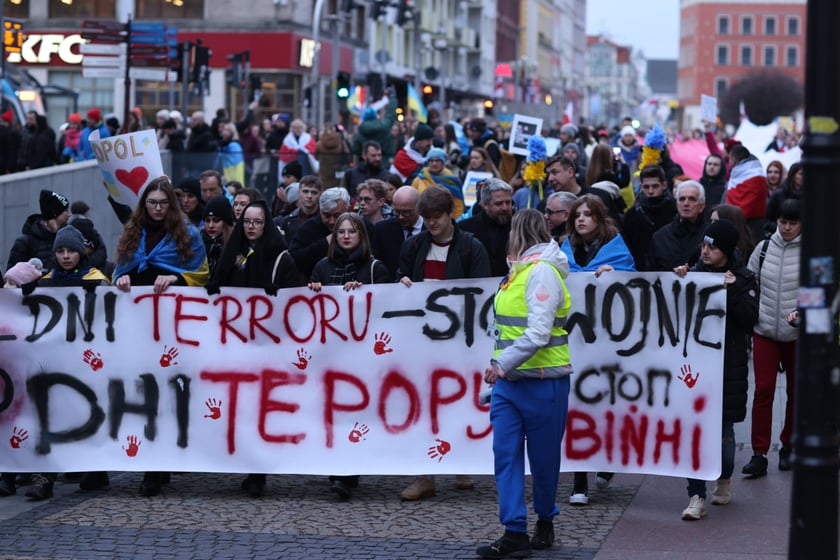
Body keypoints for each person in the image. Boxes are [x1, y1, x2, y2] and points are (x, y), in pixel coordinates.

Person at [476, 208, 573, 558]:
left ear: (520, 232)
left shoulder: (542, 272)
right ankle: (514, 530)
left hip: (543, 382)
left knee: (544, 462)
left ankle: (545, 518)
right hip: (512, 384)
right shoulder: (518, 272)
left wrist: (501, 364)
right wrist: (500, 369)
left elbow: (539, 332)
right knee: (505, 456)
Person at [113, 177, 210, 497]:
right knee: (146, 391)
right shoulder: (133, 232)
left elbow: (201, 274)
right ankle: (152, 465)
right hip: (139, 327)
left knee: (169, 393)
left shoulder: (189, 234)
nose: (156, 209)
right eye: (151, 203)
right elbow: (120, 269)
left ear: (172, 204)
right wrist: (122, 278)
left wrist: (176, 277)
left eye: (162, 203)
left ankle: (159, 465)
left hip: (172, 328)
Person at [396, 185, 490, 500]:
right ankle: (425, 474)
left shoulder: (470, 247)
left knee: (459, 402)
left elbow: (481, 293)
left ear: (451, 214)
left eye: (437, 217)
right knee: (424, 404)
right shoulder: (414, 246)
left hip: (460, 342)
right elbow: (401, 282)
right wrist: (404, 284)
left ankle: (461, 462)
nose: (431, 223)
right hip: (423, 342)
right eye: (427, 218)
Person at [673, 219, 758, 520]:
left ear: (727, 251)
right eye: (704, 245)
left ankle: (724, 476)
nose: (706, 251)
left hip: (727, 367)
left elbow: (750, 321)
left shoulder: (744, 278)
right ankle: (696, 495)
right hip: (694, 369)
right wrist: (678, 279)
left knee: (723, 435)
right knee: (694, 431)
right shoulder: (691, 274)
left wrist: (733, 292)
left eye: (713, 247)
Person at [307, 212, 391, 499]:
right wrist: (314, 290)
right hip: (329, 355)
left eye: (351, 232)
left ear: (361, 236)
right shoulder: (322, 266)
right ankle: (340, 472)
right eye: (341, 231)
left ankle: (346, 473)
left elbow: (385, 308)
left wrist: (366, 291)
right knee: (333, 413)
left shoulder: (374, 268)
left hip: (362, 356)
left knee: (354, 413)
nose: (345, 236)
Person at [559, 194, 635, 506]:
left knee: (605, 406)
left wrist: (615, 277)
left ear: (599, 218)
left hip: (607, 344)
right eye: (577, 214)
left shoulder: (616, 248)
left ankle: (606, 461)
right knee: (576, 407)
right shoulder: (563, 249)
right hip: (573, 341)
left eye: (588, 214)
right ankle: (580, 480)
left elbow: (633, 283)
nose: (581, 219)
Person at [742, 199, 801, 478]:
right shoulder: (764, 248)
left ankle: (788, 445)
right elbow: (749, 281)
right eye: (782, 221)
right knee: (763, 390)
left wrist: (804, 310)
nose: (786, 227)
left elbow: (820, 288)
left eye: (792, 222)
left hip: (797, 334)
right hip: (764, 329)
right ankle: (759, 453)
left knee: (796, 393)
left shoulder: (812, 252)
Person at [289, 187, 354, 281]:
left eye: (337, 216)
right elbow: (293, 259)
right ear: (320, 211)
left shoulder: (359, 226)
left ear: (347, 209)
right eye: (327, 215)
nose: (332, 221)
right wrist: (325, 243)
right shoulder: (308, 228)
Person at [623, 164, 677, 270]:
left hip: (669, 270)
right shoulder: (632, 214)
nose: (651, 191)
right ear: (641, 186)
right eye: (646, 187)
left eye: (655, 186)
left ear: (664, 185)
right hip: (639, 271)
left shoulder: (676, 211)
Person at [647, 180, 708, 271]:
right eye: (682, 199)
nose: (686, 203)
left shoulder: (709, 235)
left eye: (692, 199)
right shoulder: (660, 237)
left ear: (701, 206)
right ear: (677, 204)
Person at [459, 178, 513, 277]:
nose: (505, 208)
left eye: (508, 202)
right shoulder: (465, 228)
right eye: (499, 203)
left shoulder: (519, 226)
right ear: (485, 204)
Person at [8, 190, 70, 271]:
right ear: (55, 214)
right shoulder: (25, 242)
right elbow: (12, 276)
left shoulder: (68, 237)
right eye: (66, 210)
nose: (69, 214)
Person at [372, 186, 423, 279]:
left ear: (419, 207)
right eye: (397, 211)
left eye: (406, 212)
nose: (400, 217)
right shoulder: (382, 230)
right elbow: (375, 265)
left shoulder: (431, 230)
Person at [725, 145, 768, 244]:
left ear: (733, 160)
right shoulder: (757, 175)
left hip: (750, 232)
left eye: (729, 160)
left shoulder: (754, 178)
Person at [412, 147, 465, 219]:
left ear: (443, 162)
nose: (434, 163)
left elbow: (458, 205)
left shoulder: (452, 181)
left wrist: (457, 222)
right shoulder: (419, 180)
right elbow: (412, 202)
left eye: (437, 160)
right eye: (431, 160)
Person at [202, 195, 234, 277]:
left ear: (226, 222)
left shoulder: (237, 245)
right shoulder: (196, 244)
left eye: (216, 220)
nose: (211, 225)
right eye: (207, 220)